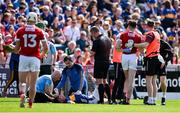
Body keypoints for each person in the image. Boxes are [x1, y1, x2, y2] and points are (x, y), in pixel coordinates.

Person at [14, 12, 48, 108]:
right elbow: (46, 48)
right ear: (36, 20)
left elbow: (16, 49)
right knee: (33, 84)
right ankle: (30, 103)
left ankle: (22, 95)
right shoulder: (39, 31)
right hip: (35, 58)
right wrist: (41, 55)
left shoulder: (20, 30)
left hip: (24, 57)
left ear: (27, 19)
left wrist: (16, 50)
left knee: (22, 82)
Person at [134, 18, 161, 105]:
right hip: (156, 57)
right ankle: (153, 99)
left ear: (146, 26)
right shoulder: (157, 33)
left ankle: (150, 100)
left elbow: (145, 45)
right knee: (154, 80)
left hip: (151, 58)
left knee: (149, 80)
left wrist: (134, 45)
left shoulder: (149, 34)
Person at [118, 20, 142, 104]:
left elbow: (117, 47)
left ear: (128, 26)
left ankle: (124, 97)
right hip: (133, 56)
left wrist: (124, 49)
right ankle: (128, 99)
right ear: (136, 27)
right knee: (131, 80)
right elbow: (141, 49)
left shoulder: (123, 35)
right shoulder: (138, 36)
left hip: (124, 56)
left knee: (127, 78)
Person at [90, 26, 112, 104]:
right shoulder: (108, 39)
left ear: (94, 32)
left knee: (99, 81)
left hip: (99, 62)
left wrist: (88, 51)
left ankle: (101, 100)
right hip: (107, 62)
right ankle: (110, 99)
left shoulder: (97, 41)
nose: (92, 36)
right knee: (105, 81)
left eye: (92, 34)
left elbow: (92, 53)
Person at [156, 28, 173, 105]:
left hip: (162, 65)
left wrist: (165, 61)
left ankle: (164, 97)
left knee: (163, 81)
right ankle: (152, 98)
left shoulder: (164, 43)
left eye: (157, 33)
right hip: (153, 64)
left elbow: (171, 54)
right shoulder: (150, 43)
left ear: (161, 35)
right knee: (152, 81)